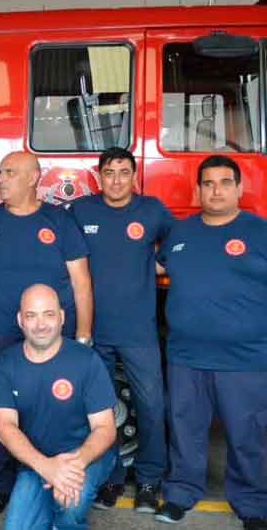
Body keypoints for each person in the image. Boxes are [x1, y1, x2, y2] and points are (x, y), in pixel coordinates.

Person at [154, 156, 267, 530]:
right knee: (185, 432)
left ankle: (252, 506)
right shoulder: (180, 233)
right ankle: (180, 493)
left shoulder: (265, 234)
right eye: (208, 183)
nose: (216, 190)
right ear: (198, 190)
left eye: (225, 182)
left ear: (240, 189)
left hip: (244, 359)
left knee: (246, 436)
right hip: (186, 357)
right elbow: (154, 268)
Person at [0, 150, 93, 517]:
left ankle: (54, 474)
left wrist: (82, 337)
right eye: (1, 172)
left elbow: (81, 281)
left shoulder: (60, 221)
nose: (1, 178)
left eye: (10, 173)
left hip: (47, 334)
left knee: (53, 406)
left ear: (34, 178)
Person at [68, 147, 174, 512]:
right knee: (102, 412)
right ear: (99, 177)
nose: (116, 180)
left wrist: (155, 268)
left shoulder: (152, 210)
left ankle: (148, 481)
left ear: (134, 176)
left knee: (151, 407)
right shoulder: (81, 211)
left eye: (123, 172)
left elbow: (178, 248)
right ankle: (109, 479)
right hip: (93, 332)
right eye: (109, 172)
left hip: (138, 333)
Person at [0, 284, 117, 530]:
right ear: (20, 320)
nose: (40, 324)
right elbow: (4, 428)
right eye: (31, 315)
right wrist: (47, 467)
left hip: (87, 456)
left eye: (48, 314)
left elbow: (105, 428)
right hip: (36, 460)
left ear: (62, 317)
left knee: (70, 506)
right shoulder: (5, 364)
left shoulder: (86, 360)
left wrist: (72, 468)